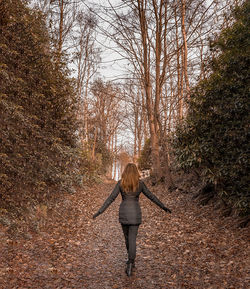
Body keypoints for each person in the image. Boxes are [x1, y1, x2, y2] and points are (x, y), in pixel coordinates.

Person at [92, 163, 171, 277]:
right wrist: (163, 207)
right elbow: (151, 196)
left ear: (125, 172)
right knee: (132, 239)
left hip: (124, 214)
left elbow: (110, 199)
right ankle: (130, 263)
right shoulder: (140, 184)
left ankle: (130, 261)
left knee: (127, 239)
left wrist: (99, 212)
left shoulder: (121, 183)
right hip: (135, 214)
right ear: (135, 172)